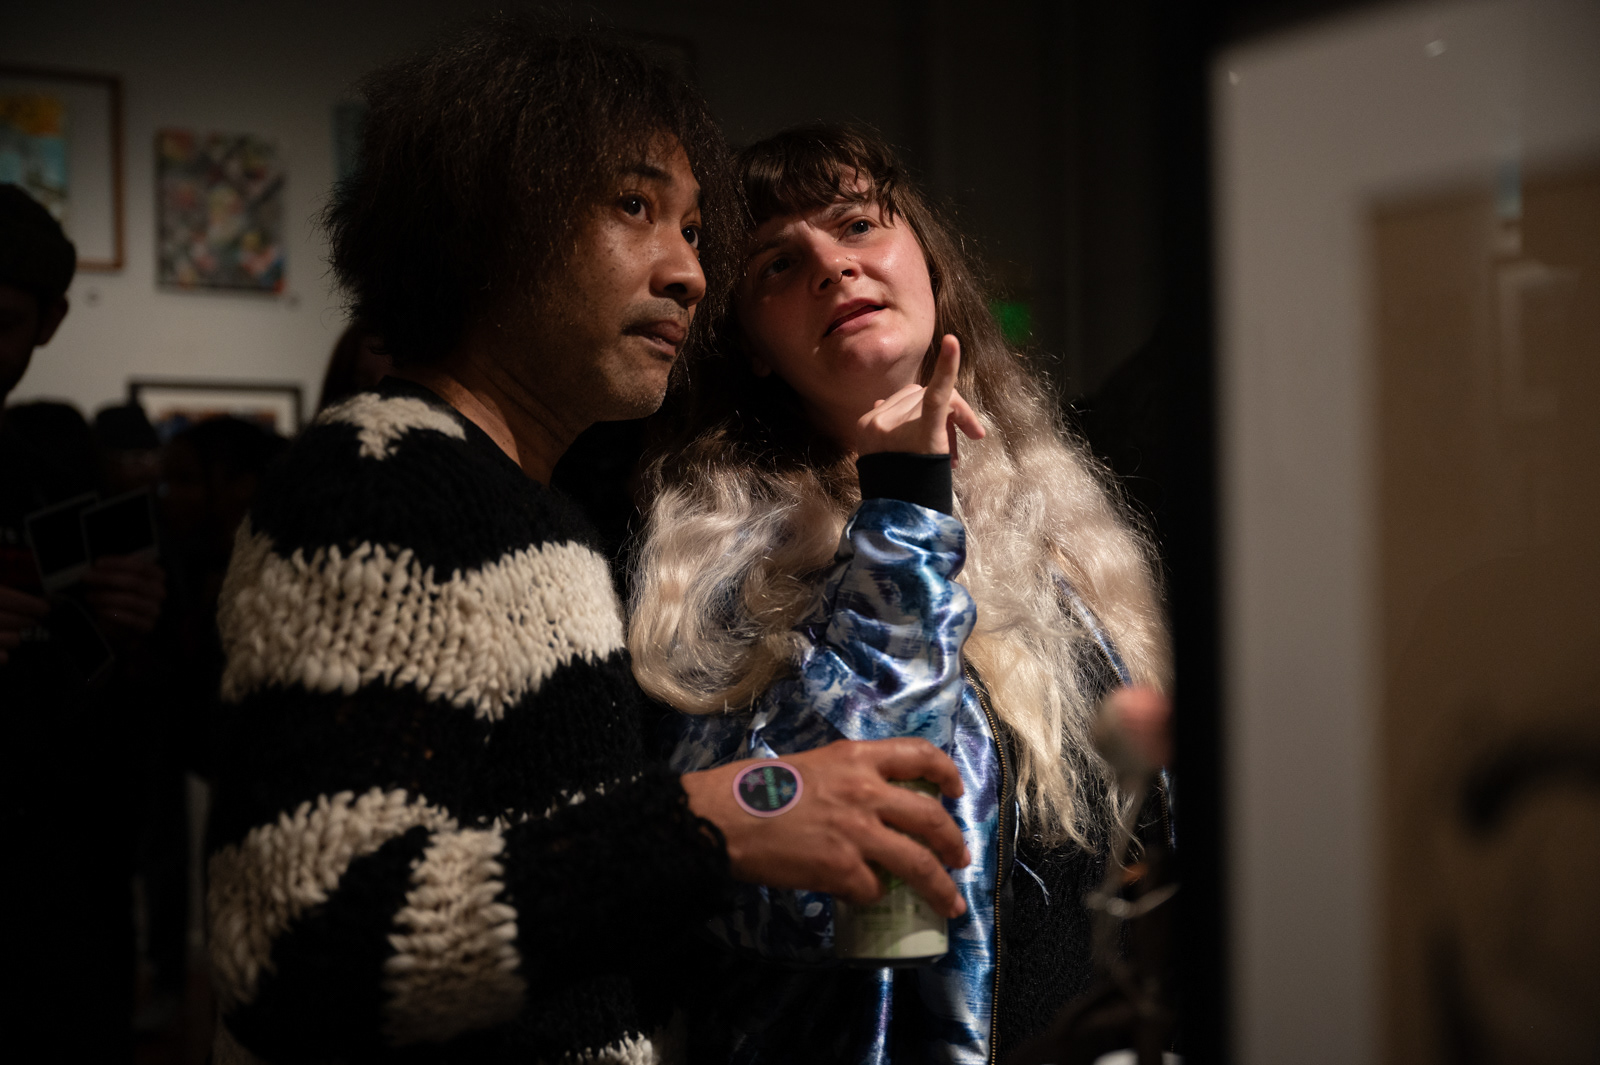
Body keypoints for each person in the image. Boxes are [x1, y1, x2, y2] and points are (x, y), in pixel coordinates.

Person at [206, 19, 972, 1065]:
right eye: (634, 208)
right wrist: (711, 820)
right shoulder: (383, 478)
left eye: (693, 230)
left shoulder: (536, 512)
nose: (689, 273)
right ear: (494, 220)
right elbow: (294, 945)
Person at [628, 126, 1173, 1062]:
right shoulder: (721, 562)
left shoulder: (1048, 506)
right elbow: (850, 902)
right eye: (778, 263)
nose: (833, 267)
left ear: (929, 263)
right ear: (752, 344)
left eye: (857, 226)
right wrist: (905, 507)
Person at [0, 184, 168, 1062]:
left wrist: (130, 629)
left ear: (50, 322)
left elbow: (95, 694)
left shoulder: (47, 473)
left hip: (57, 896)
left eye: (0, 323)